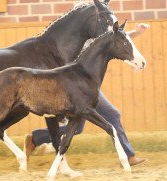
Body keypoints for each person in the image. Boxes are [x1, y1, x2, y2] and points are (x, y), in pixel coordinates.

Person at [23, 23, 150, 166]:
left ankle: (35, 138)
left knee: (77, 128)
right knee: (112, 114)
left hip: (87, 84)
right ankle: (128, 156)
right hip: (80, 85)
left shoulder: (90, 31)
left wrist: (136, 33)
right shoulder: (79, 34)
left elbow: (114, 39)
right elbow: (110, 39)